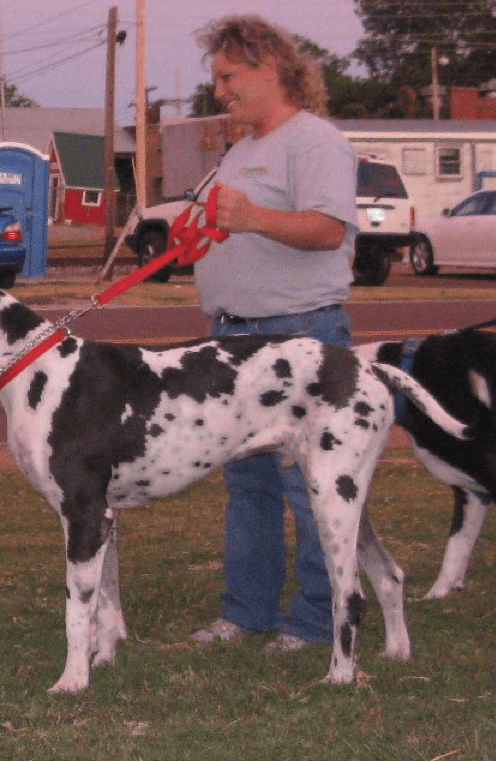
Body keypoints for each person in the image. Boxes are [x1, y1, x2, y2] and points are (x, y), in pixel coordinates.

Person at [189, 15, 359, 652]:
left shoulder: (313, 141)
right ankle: (247, 613)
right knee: (248, 482)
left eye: (229, 77)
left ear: (269, 68)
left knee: (310, 481)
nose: (220, 91)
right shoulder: (242, 147)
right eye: (217, 79)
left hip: (299, 335)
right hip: (235, 340)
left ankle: (315, 622)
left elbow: (328, 230)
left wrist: (253, 216)